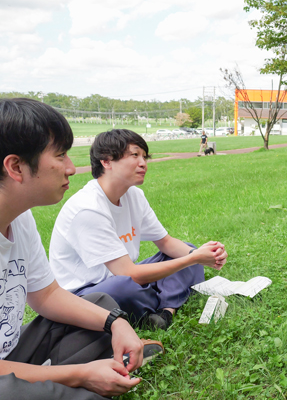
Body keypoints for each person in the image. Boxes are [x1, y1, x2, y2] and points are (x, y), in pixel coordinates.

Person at [0, 99, 156, 400]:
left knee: (100, 305)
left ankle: (61, 385)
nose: (71, 167)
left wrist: (117, 323)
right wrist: (80, 375)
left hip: (7, 356)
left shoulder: (18, 215)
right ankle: (78, 390)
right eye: (60, 155)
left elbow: (48, 296)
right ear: (15, 167)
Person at [49, 129, 227, 330]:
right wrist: (194, 259)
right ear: (106, 161)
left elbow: (166, 243)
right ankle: (167, 296)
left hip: (125, 277)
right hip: (86, 293)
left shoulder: (134, 195)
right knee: (124, 287)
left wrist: (205, 255)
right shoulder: (88, 208)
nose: (143, 163)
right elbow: (128, 273)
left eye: (145, 156)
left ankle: (165, 312)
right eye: (135, 155)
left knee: (187, 249)